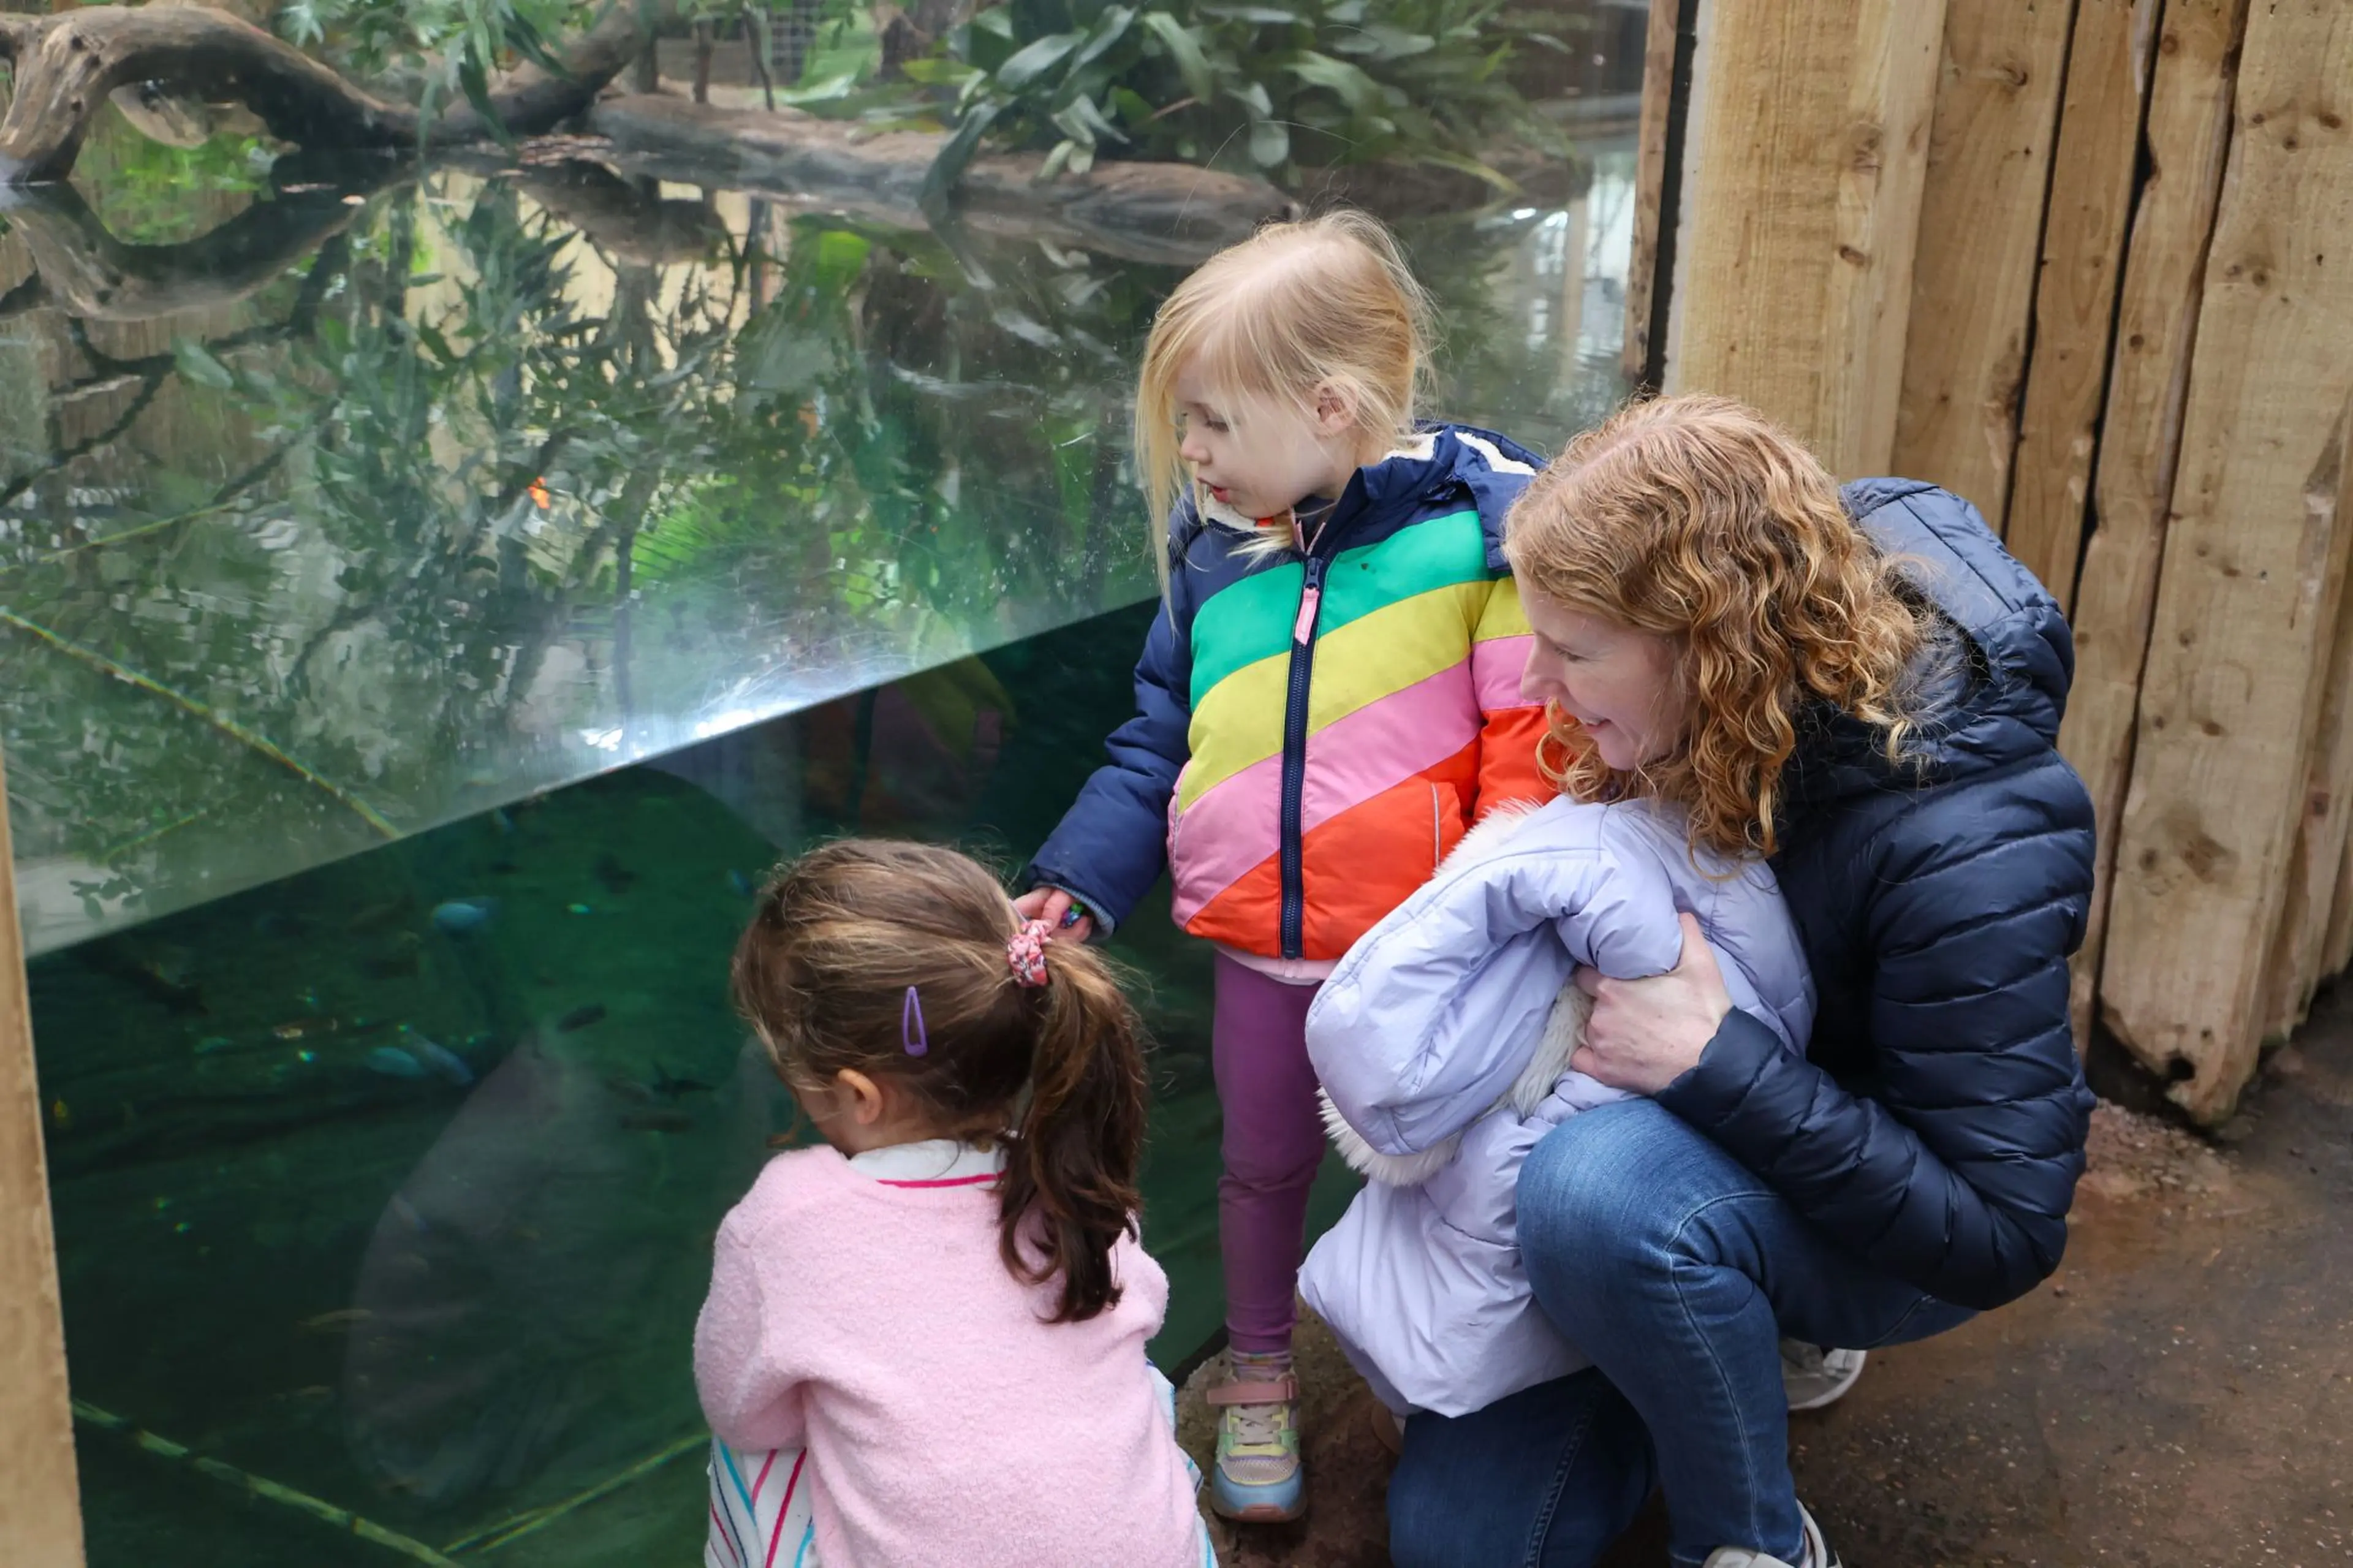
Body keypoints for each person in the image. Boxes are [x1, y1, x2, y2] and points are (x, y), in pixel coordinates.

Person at [1379, 394, 2097, 1568]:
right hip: (1671, 1130)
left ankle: (1751, 1533)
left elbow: (2003, 1229)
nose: (1534, 683)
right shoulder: (1698, 706)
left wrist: (1718, 1059)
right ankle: (1686, 1323)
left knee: (1596, 1194)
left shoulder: (1968, 837)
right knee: (1461, 1545)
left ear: (1703, 642)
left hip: (1863, 1202)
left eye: (1572, 648)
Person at [1012, 210, 1555, 1520]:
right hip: (1264, 956)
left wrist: (1486, 922)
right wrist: (1077, 882)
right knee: (1258, 1171)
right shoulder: (1216, 563)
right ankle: (1259, 1372)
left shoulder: (1483, 540)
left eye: (1208, 420)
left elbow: (1528, 759)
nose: (1189, 452)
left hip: (1428, 960)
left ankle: (1444, 1382)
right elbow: (1155, 751)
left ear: (1326, 404)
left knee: (1456, 1181)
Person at [694, 839, 1214, 1568]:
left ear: (857, 1097)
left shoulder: (786, 1216)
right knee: (1141, 1385)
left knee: (746, 1456)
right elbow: (1143, 1306)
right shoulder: (1068, 1178)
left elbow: (745, 1413)